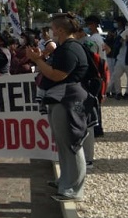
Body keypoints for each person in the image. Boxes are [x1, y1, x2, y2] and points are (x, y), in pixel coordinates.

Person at [27, 13, 91, 202]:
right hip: (59, 98)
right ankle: (66, 180)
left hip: (68, 99)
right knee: (62, 143)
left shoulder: (70, 49)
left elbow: (57, 75)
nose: (50, 32)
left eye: (52, 28)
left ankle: (74, 189)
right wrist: (40, 60)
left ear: (60, 30)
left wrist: (37, 61)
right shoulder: (65, 48)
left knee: (71, 143)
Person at [107, 17, 128, 100]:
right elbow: (116, 46)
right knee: (116, 76)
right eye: (127, 25)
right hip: (120, 59)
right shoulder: (122, 34)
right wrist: (120, 41)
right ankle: (118, 92)